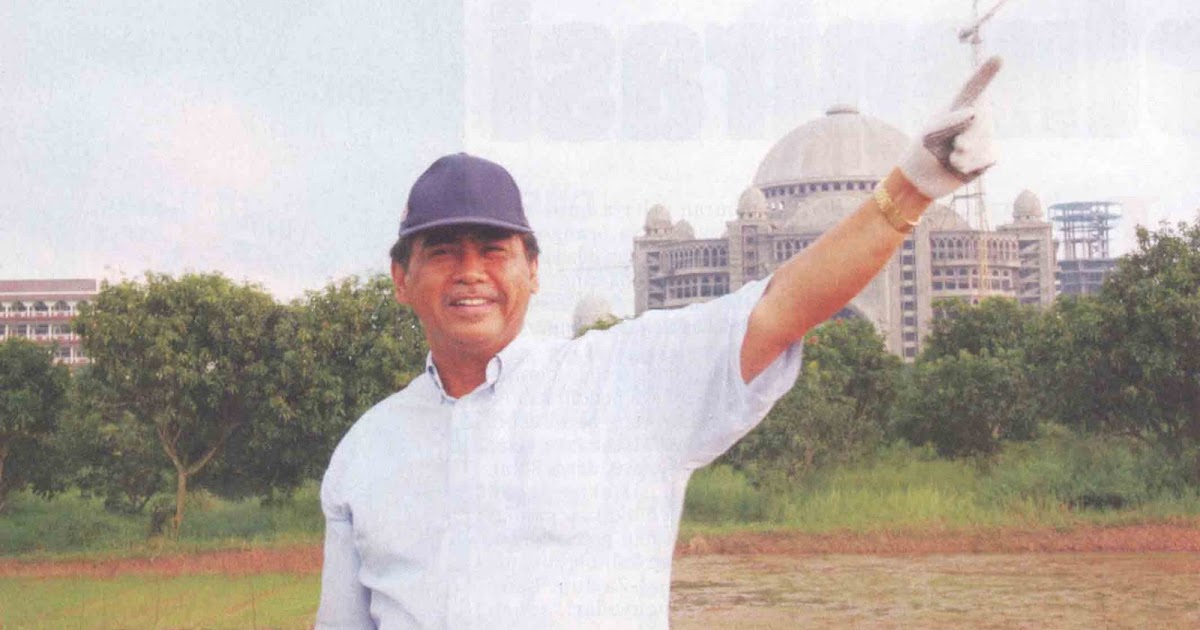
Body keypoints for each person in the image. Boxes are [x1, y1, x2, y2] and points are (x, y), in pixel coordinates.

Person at [316, 58, 1002, 629]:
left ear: (532, 271)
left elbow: (781, 308)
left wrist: (913, 187)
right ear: (401, 278)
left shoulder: (622, 380)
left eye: (493, 250)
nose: (470, 272)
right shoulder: (366, 452)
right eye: (442, 252)